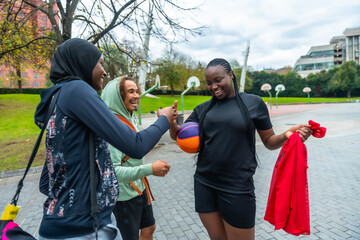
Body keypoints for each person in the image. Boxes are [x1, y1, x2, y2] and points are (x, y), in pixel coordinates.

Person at [34, 38, 176, 240]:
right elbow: (136, 145)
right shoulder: (77, 89)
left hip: (62, 224)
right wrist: (164, 120)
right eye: (100, 63)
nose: (105, 71)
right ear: (83, 62)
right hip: (82, 228)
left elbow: (47, 181)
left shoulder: (57, 96)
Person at [169, 58, 313, 240]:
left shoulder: (253, 103)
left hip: (237, 186)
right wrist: (171, 122)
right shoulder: (203, 109)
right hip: (204, 183)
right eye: (209, 82)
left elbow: (268, 141)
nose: (213, 86)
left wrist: (286, 135)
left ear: (230, 75)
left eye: (218, 80)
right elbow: (179, 136)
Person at [101, 77, 171, 240]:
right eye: (131, 91)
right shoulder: (112, 128)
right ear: (117, 96)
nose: (137, 95)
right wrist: (150, 169)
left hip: (139, 188)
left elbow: (137, 144)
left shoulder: (129, 117)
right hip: (123, 198)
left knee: (149, 228)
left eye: (137, 91)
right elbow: (113, 172)